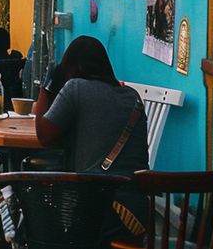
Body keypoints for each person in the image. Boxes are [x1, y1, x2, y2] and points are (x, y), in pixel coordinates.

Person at [34, 36, 149, 245]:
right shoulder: (132, 96)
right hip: (137, 213)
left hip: (100, 210)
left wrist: (47, 85)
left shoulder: (75, 88)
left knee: (42, 219)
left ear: (72, 68)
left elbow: (44, 135)